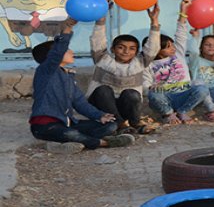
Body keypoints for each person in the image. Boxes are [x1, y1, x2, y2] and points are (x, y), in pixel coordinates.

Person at [29, 18, 135, 154]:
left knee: (110, 125)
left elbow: (80, 103)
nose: (71, 51)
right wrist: (67, 28)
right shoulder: (46, 71)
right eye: (67, 50)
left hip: (68, 123)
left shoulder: (68, 77)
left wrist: (100, 115)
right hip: (45, 126)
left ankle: (61, 144)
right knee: (71, 134)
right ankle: (104, 143)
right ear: (54, 55)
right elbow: (57, 51)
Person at [86, 0, 160, 134]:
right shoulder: (103, 60)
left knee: (132, 94)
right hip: (101, 105)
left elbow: (153, 47)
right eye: (121, 47)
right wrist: (101, 20)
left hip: (125, 107)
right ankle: (120, 125)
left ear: (137, 52)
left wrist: (154, 22)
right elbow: (97, 41)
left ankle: (135, 122)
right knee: (103, 90)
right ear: (112, 49)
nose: (126, 51)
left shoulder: (140, 63)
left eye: (131, 49)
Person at [144, 0, 209, 125]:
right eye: (168, 47)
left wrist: (183, 13)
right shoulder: (148, 64)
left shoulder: (178, 54)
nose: (173, 48)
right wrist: (150, 87)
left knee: (202, 89)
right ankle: (168, 114)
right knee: (154, 95)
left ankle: (183, 111)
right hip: (164, 98)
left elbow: (181, 34)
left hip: (183, 94)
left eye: (172, 45)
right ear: (157, 49)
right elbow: (146, 86)